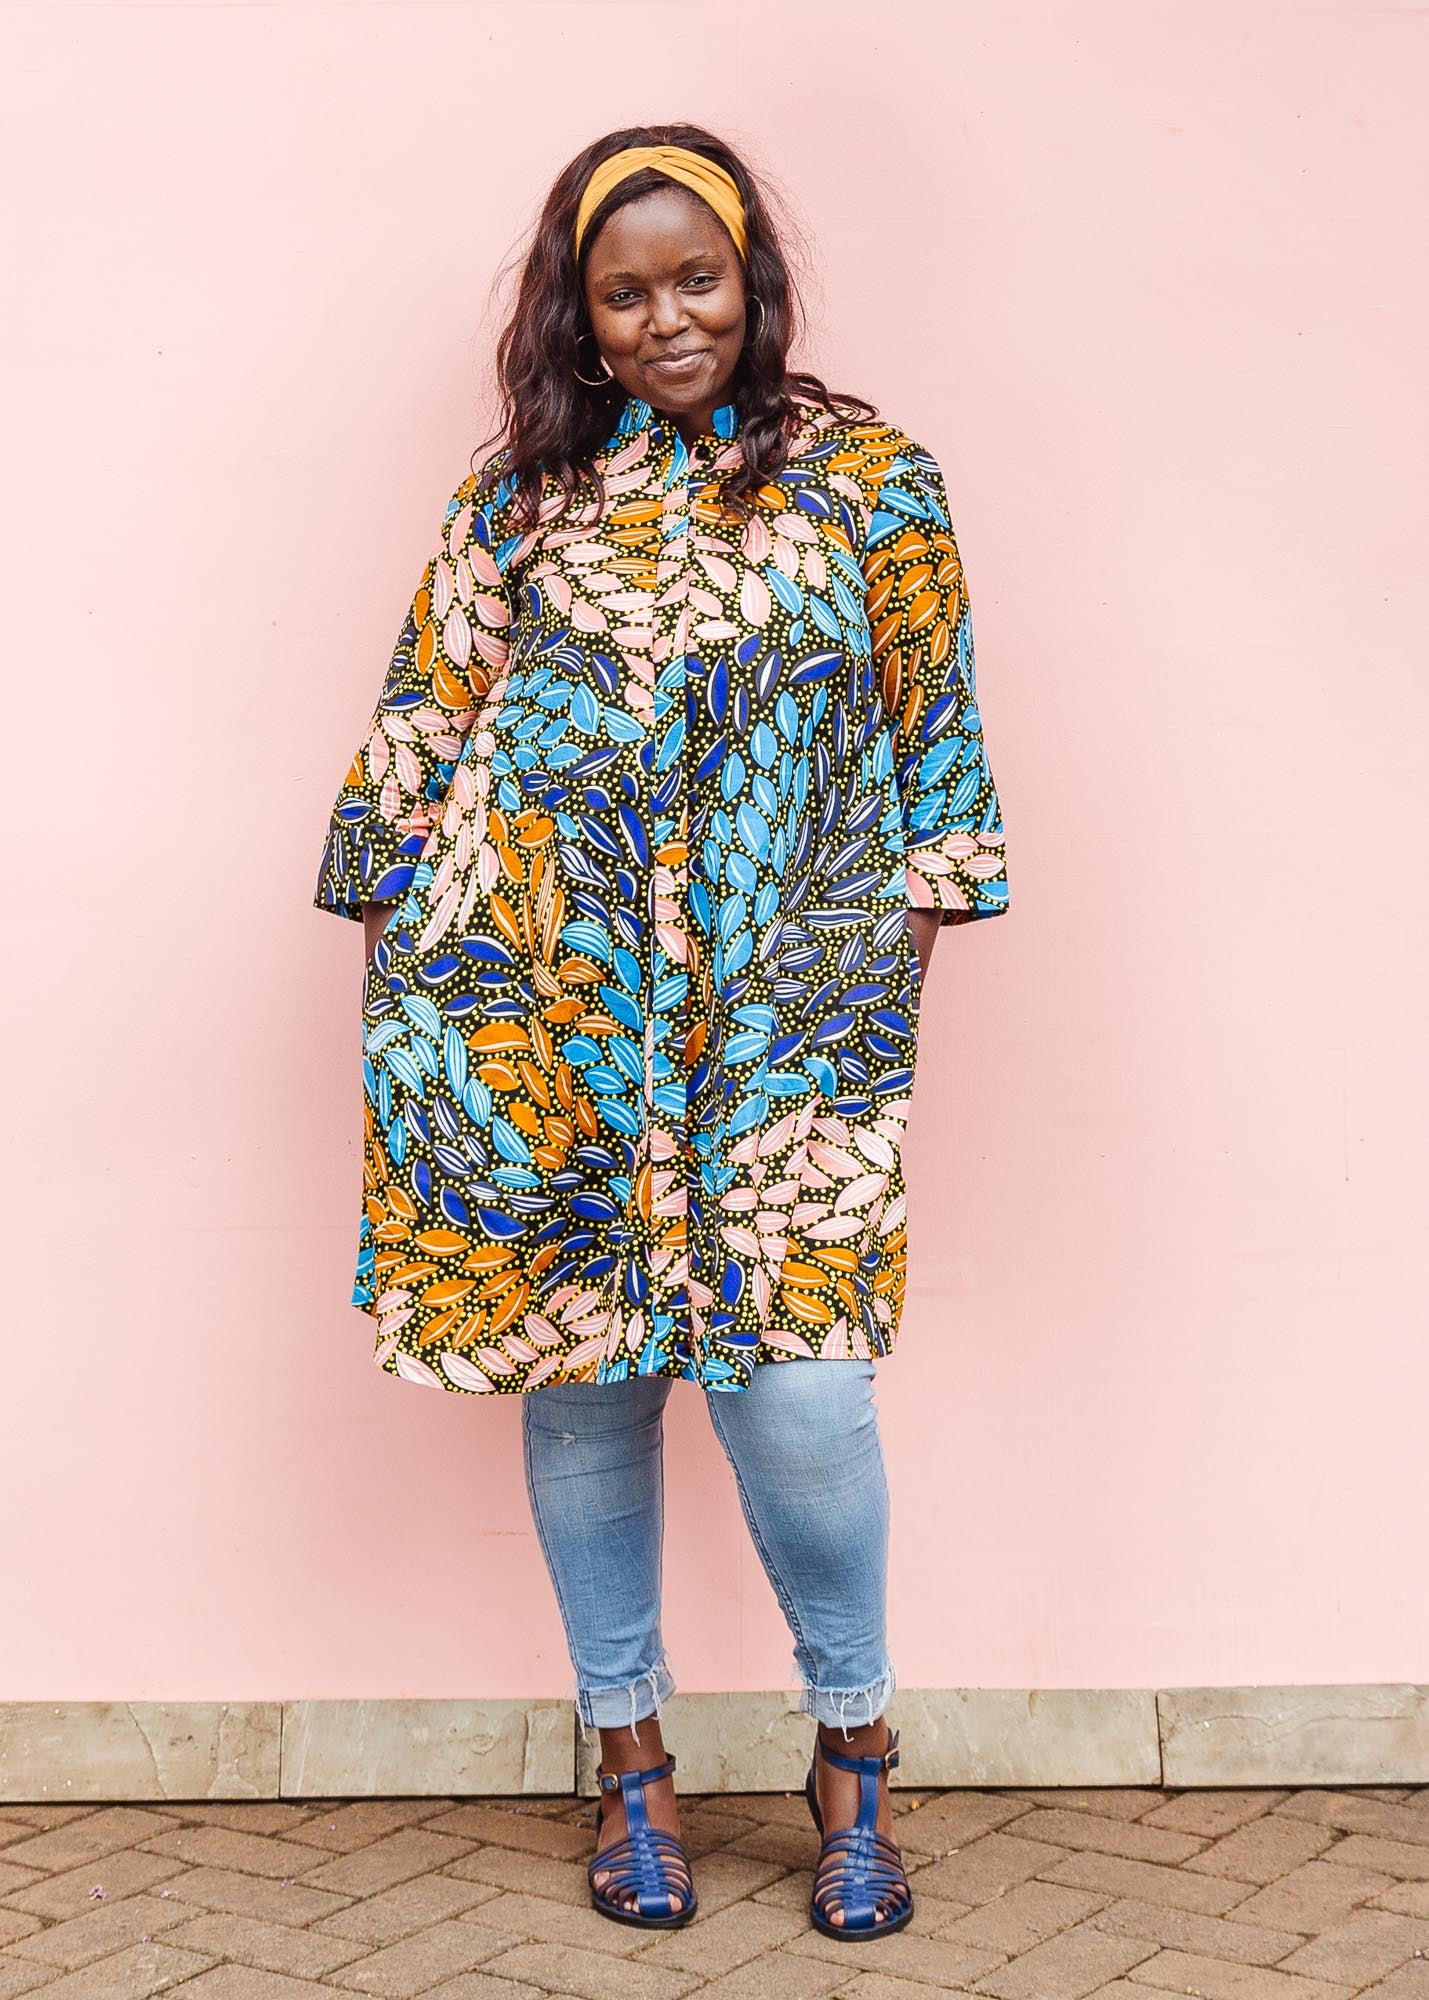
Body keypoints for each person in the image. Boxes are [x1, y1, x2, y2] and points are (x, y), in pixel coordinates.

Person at [312, 124, 1010, 1941]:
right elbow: (422, 716)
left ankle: (849, 1754)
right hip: (544, 1004)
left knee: (801, 1399)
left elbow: (937, 743)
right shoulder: (520, 495)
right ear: (581, 313)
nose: (663, 317)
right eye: (622, 293)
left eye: (693, 277)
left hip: (793, 1011)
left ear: (749, 277)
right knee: (592, 1387)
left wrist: (881, 985)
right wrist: (408, 981)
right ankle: (630, 1763)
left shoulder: (874, 481)